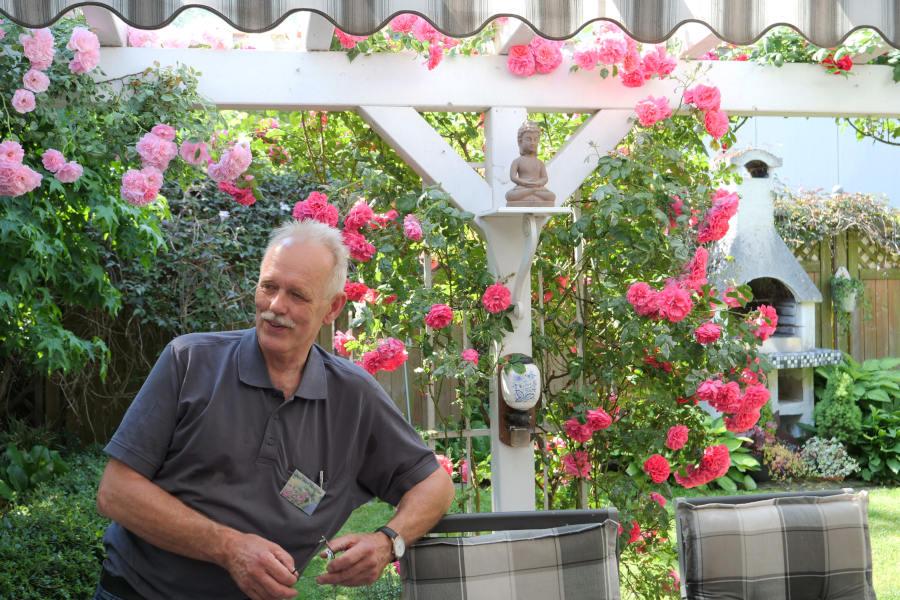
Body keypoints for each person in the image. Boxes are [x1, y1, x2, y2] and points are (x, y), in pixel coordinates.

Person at [95, 220, 455, 600]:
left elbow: (434, 485)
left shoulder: (354, 397)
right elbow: (116, 492)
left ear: (332, 307)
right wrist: (228, 547)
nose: (275, 306)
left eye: (298, 295)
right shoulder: (190, 362)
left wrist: (387, 543)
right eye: (269, 286)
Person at [505, 120, 556, 207]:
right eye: (528, 139)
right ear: (520, 141)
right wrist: (524, 182)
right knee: (509, 196)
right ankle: (532, 192)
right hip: (522, 187)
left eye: (535, 139)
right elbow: (513, 177)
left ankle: (532, 192)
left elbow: (544, 178)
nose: (532, 143)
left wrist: (538, 183)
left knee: (551, 196)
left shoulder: (540, 163)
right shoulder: (517, 161)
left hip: (538, 187)